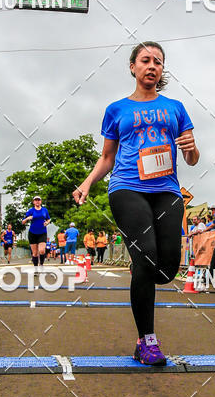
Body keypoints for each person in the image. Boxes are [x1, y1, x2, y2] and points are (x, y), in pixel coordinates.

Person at [73, 40, 199, 366]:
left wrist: (190, 148)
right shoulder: (117, 110)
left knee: (167, 269)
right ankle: (147, 341)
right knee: (146, 261)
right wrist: (87, 183)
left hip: (166, 190)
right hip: (127, 187)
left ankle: (140, 267)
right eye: (145, 60)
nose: (152, 65)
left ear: (162, 69)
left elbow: (192, 158)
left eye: (158, 61)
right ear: (133, 67)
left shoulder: (175, 108)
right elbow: (107, 157)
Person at [22, 195, 51, 268]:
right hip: (33, 233)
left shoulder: (44, 210)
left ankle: (41, 264)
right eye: (36, 200)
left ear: (41, 201)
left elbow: (48, 219)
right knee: (35, 253)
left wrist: (47, 222)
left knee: (42, 250)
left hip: (42, 232)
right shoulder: (31, 211)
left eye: (39, 200)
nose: (37, 201)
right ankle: (36, 268)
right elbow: (23, 222)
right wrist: (27, 218)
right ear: (33, 202)